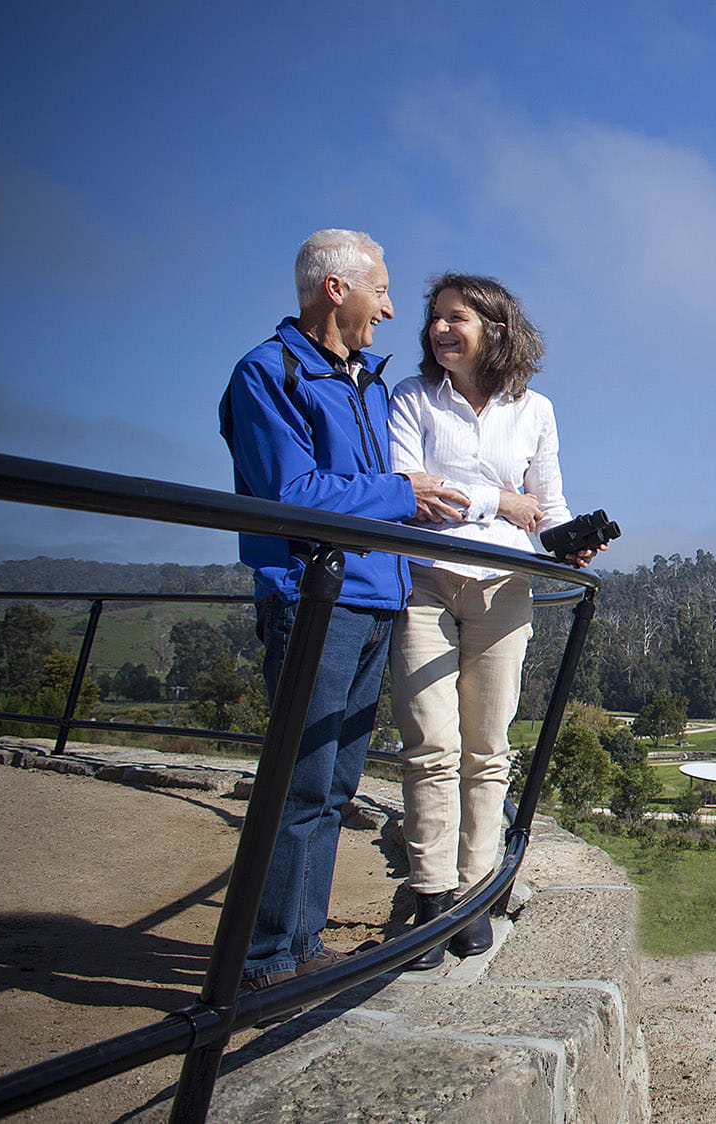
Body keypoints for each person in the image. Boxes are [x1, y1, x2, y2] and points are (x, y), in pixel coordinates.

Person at [220, 229, 469, 993]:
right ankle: (263, 961)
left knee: (334, 787)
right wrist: (406, 493)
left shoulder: (363, 383)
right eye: (382, 291)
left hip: (375, 604)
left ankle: (300, 947)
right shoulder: (269, 374)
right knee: (298, 784)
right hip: (313, 603)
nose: (392, 309)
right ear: (337, 289)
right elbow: (291, 494)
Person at [387, 273, 599, 968]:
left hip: (505, 586)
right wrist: (500, 504)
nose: (440, 330)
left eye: (457, 319)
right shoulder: (412, 400)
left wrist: (569, 539)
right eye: (435, 319)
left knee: (487, 748)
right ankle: (430, 894)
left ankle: (476, 894)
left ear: (496, 330)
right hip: (425, 580)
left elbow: (548, 505)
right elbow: (413, 495)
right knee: (430, 741)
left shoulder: (535, 410)